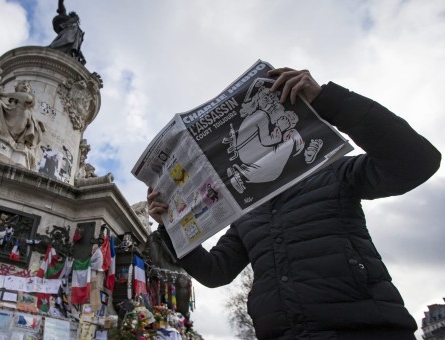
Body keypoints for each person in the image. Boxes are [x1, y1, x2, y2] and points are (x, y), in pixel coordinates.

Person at [147, 67, 441, 339]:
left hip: (365, 329)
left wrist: (329, 100)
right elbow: (216, 271)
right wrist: (171, 225)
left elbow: (415, 162)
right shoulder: (245, 209)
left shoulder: (331, 171)